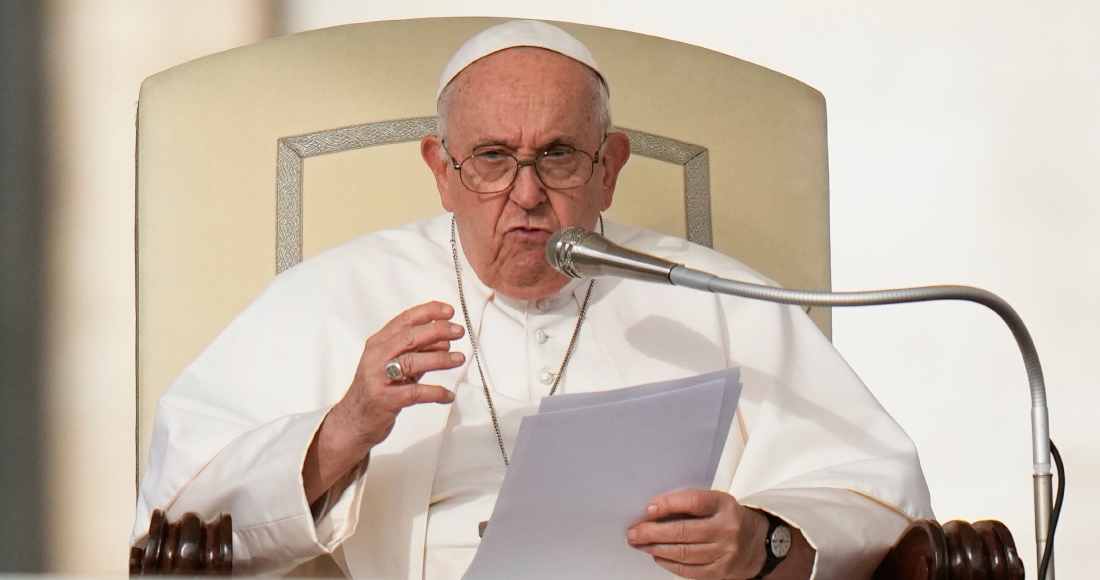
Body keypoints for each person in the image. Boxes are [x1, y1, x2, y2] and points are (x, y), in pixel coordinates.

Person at [132, 20, 933, 580]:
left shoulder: (714, 296)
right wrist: (345, 429)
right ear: (441, 171)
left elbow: (875, 497)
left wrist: (765, 544)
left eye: (558, 156)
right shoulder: (334, 294)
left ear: (610, 168)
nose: (525, 195)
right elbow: (176, 520)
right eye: (490, 158)